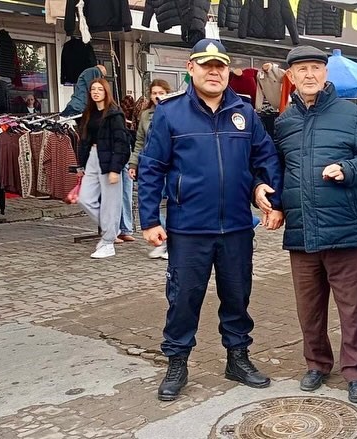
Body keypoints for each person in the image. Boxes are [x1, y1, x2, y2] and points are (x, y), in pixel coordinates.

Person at [137, 39, 284, 401]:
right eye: (206, 65)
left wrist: (267, 189)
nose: (214, 71)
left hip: (236, 227)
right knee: (184, 298)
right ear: (191, 69)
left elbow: (265, 156)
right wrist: (149, 220)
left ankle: (238, 358)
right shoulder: (170, 113)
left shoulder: (244, 112)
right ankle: (177, 362)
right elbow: (152, 168)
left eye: (220, 65)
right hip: (188, 229)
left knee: (237, 296)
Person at [259, 45, 357, 404]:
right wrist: (276, 205)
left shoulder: (351, 115)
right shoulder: (284, 122)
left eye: (316, 68)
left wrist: (348, 170)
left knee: (353, 307)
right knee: (308, 307)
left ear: (325, 74)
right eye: (302, 70)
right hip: (301, 231)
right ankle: (316, 364)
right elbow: (281, 172)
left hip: (344, 228)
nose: (310, 75)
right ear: (292, 77)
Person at [76, 78, 130, 259]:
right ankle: (110, 230)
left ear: (106, 92)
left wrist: (116, 168)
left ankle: (108, 243)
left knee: (111, 203)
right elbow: (83, 140)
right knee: (85, 198)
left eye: (100, 89)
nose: (96, 92)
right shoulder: (89, 113)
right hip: (92, 158)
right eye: (93, 89)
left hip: (109, 160)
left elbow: (122, 143)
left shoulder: (114, 114)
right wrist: (82, 164)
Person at [129, 79, 171, 259]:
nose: (157, 96)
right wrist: (133, 164)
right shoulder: (145, 115)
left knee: (174, 203)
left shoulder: (173, 112)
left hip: (171, 165)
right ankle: (162, 237)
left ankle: (170, 243)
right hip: (151, 166)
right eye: (154, 93)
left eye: (160, 93)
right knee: (152, 202)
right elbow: (139, 142)